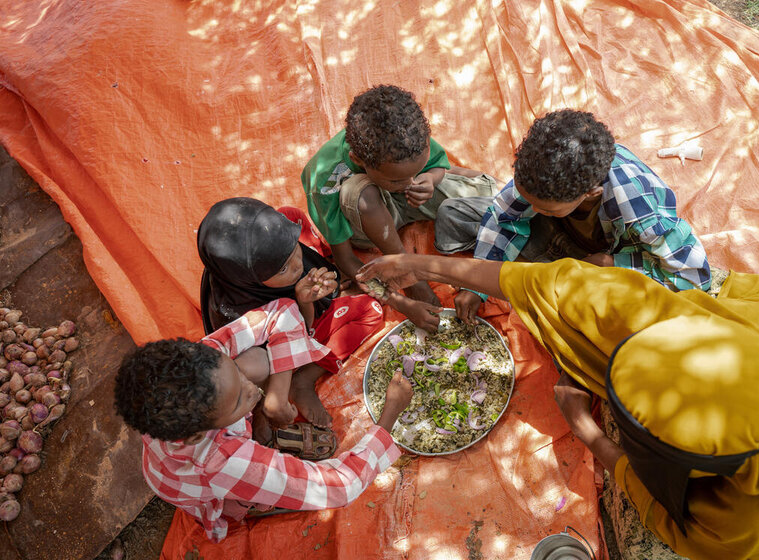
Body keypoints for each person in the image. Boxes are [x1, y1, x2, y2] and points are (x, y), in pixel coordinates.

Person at [356, 254, 759, 558]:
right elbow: (544, 281)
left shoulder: (741, 518)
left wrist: (589, 432)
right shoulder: (668, 322)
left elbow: (671, 518)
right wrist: (417, 263)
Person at [113, 300, 413, 543]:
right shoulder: (222, 462)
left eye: (234, 373)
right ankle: (252, 502)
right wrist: (389, 416)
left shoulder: (203, 365)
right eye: (237, 402)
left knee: (256, 361)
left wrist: (276, 397)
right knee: (250, 493)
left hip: (195, 448)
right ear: (197, 434)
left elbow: (283, 311)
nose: (252, 389)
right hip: (205, 487)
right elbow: (341, 486)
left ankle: (258, 426)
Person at [436, 109, 712, 325]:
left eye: (545, 207)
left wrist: (614, 263)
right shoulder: (540, 174)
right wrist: (477, 284)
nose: (527, 202)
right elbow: (503, 216)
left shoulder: (638, 209)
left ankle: (554, 275)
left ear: (591, 194)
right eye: (524, 194)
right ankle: (545, 267)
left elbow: (693, 277)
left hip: (605, 258)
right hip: (561, 238)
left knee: (580, 311)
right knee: (453, 213)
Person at [301, 84, 497, 331]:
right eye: (397, 179)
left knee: (493, 195)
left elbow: (435, 167)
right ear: (358, 161)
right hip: (365, 220)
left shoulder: (407, 137)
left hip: (407, 202)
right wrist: (402, 302)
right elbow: (345, 259)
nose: (410, 183)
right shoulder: (324, 179)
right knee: (360, 193)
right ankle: (407, 271)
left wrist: (431, 179)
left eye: (416, 172)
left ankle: (438, 178)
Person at [198, 197, 385, 427]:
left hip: (294, 306)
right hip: (288, 343)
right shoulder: (249, 315)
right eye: (283, 267)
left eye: (294, 245)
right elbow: (295, 334)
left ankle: (325, 267)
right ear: (251, 279)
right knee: (371, 309)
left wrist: (307, 266)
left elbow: (292, 256)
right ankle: (304, 379)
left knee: (290, 215)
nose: (298, 264)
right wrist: (305, 301)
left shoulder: (240, 274)